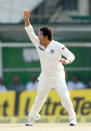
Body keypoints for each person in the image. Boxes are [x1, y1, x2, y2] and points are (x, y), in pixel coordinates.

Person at [24, 9, 77, 126]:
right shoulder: (39, 44)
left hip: (58, 76)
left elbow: (71, 55)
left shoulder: (58, 46)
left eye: (40, 35)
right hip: (45, 76)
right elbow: (30, 32)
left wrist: (67, 61)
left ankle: (72, 118)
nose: (38, 37)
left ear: (46, 37)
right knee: (39, 99)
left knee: (65, 97)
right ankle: (31, 119)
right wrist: (27, 19)